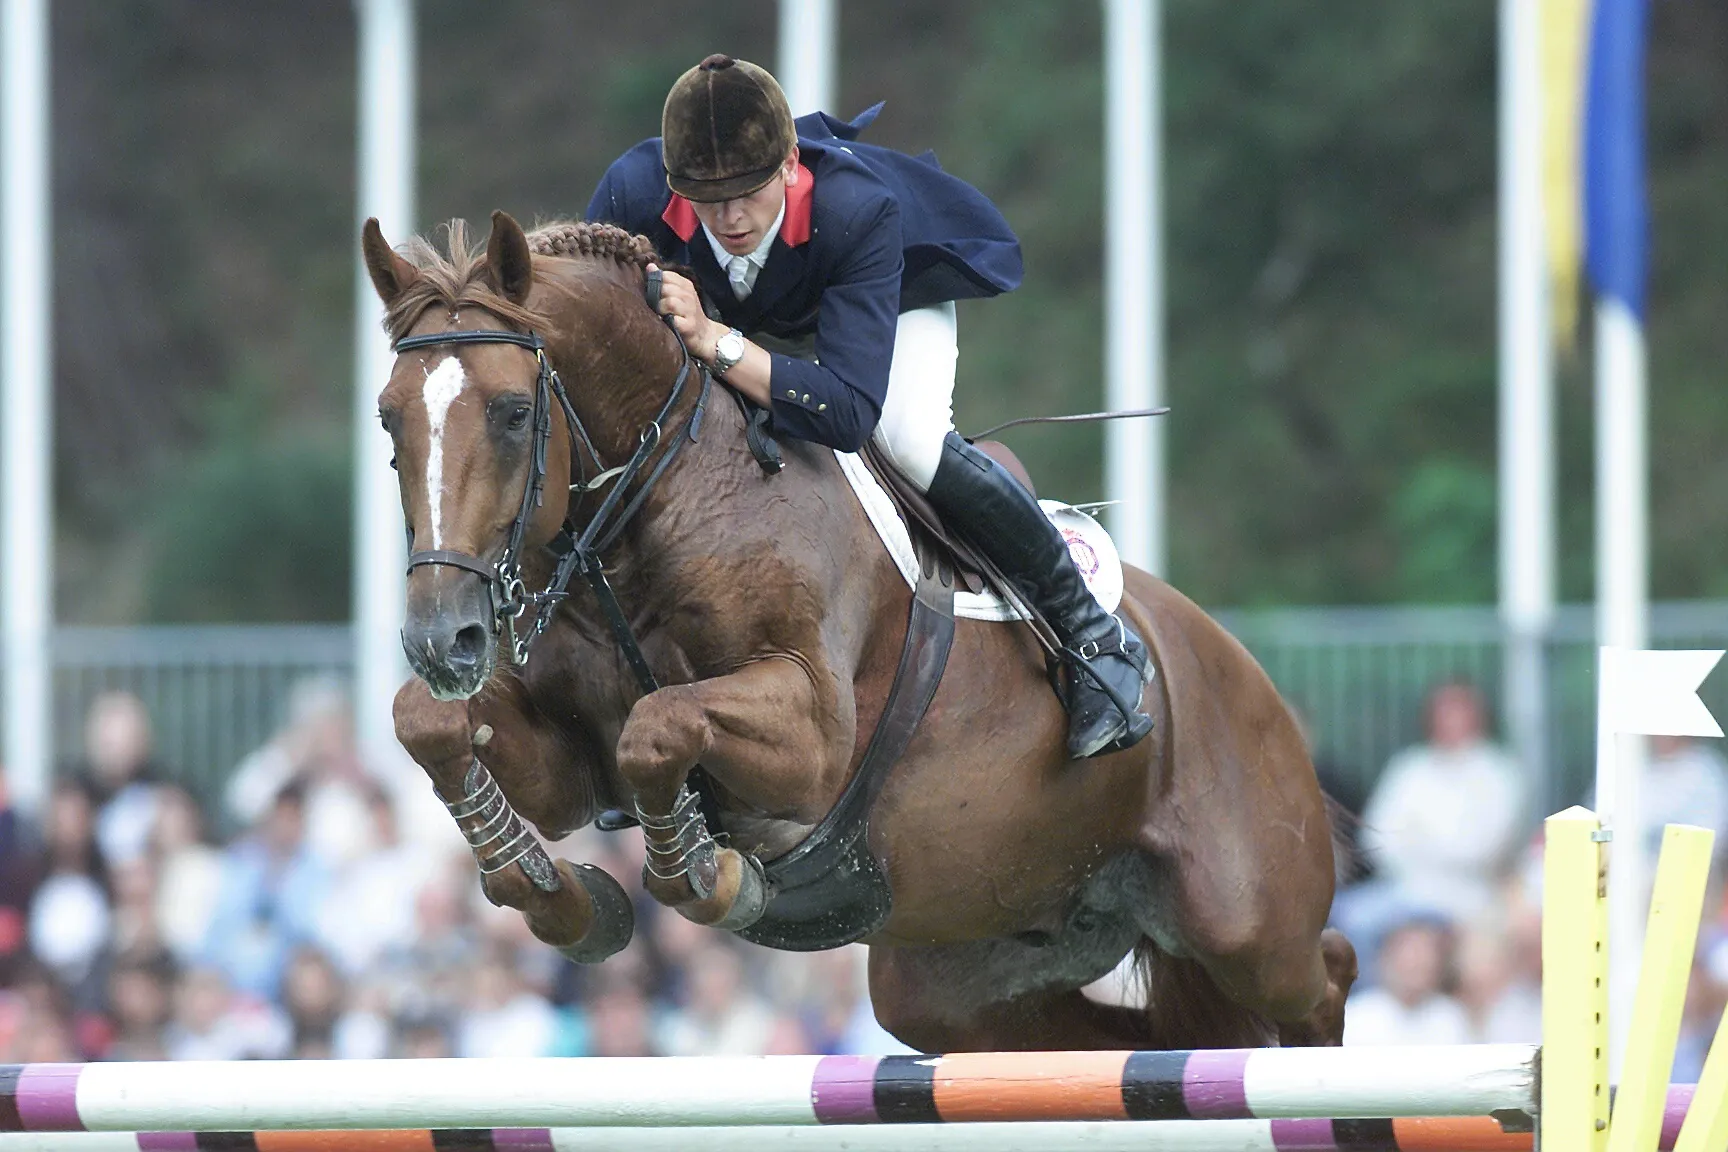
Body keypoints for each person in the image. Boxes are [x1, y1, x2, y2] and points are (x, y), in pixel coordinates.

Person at [586, 55, 1151, 760]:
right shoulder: (633, 193)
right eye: (706, 198)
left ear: (789, 164)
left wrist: (716, 342)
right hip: (746, 316)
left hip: (880, 295)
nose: (729, 218)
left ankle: (1094, 637)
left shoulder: (856, 210)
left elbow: (849, 414)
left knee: (908, 439)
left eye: (749, 193)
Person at [1356, 680, 1524, 924]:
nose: (1450, 719)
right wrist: (1436, 844)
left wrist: (1415, 839)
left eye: (1459, 709)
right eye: (1443, 710)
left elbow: (1482, 849)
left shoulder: (1499, 773)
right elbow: (1374, 838)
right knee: (1345, 920)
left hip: (1470, 899)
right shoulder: (1408, 767)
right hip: (1399, 890)